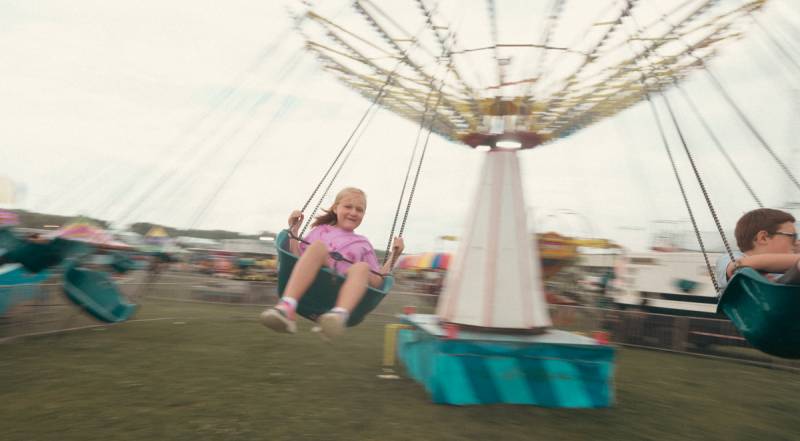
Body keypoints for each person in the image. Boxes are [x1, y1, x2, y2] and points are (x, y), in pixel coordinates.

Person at [260, 187, 404, 339]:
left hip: (341, 291)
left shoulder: (364, 244)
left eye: (359, 210)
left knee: (362, 267)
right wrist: (294, 230)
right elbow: (296, 259)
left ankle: (338, 315)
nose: (354, 212)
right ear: (336, 208)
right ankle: (287, 307)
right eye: (348, 206)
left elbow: (377, 281)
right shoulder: (321, 231)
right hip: (314, 283)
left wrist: (394, 255)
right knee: (318, 247)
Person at [715, 208, 800, 290]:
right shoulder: (729, 258)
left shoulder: (789, 266)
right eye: (792, 236)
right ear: (763, 238)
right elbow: (739, 265)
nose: (796, 242)